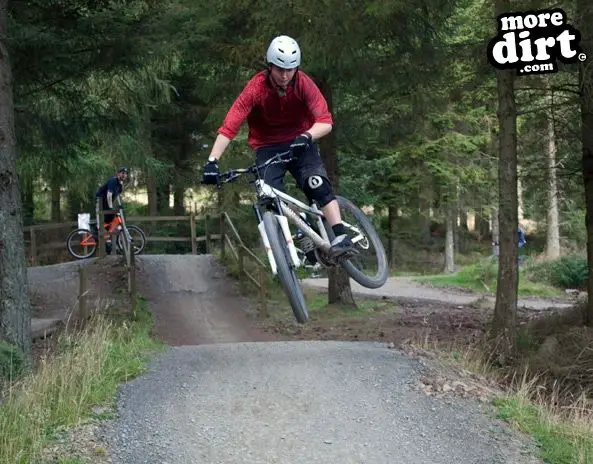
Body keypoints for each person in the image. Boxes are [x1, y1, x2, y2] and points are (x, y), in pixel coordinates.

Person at [201, 35, 356, 259]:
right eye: (280, 69)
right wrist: (212, 162)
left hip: (301, 142)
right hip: (268, 147)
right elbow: (229, 127)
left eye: (290, 69)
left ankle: (341, 236)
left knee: (317, 183)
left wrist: (306, 136)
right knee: (272, 198)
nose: (285, 75)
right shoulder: (255, 88)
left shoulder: (303, 83)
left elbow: (325, 122)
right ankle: (303, 230)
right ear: (270, 66)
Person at [95, 167, 129, 252]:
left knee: (111, 217)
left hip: (106, 202)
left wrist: (120, 205)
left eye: (125, 173)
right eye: (122, 173)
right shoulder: (113, 181)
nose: (124, 175)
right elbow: (109, 194)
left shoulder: (120, 184)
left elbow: (117, 196)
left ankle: (106, 239)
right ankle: (99, 233)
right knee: (103, 218)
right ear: (118, 174)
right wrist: (110, 207)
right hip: (100, 200)